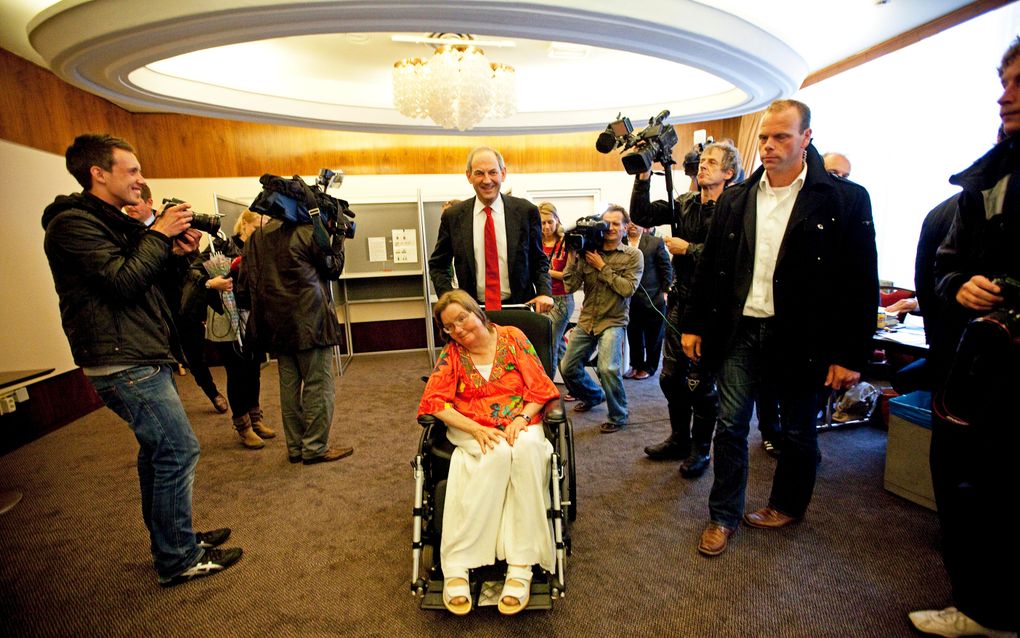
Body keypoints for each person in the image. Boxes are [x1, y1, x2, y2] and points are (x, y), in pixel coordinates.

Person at [42, 133, 242, 586]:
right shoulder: (72, 225)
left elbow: (153, 288)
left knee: (158, 451)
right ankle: (178, 559)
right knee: (177, 448)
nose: (140, 180)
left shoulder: (113, 222)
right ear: (99, 173)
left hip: (141, 352)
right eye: (131, 171)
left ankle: (174, 540)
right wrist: (157, 234)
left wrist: (178, 255)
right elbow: (121, 283)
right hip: (122, 361)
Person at [681, 100, 878, 556]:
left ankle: (786, 504)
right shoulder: (738, 197)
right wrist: (693, 323)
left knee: (795, 431)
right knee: (730, 426)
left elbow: (859, 281)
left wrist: (851, 354)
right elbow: (711, 268)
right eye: (765, 138)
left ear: (806, 137)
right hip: (740, 332)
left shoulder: (845, 200)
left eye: (781, 137)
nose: (769, 146)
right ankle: (723, 515)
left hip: (802, 336)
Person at [908, 40, 1020, 638]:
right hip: (978, 372)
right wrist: (960, 287)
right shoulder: (984, 183)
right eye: (1003, 82)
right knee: (968, 488)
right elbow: (942, 271)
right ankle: (982, 610)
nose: (1005, 96)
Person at [418, 290, 560, 616]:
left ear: (476, 312)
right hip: (472, 425)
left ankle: (521, 566)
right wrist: (476, 429)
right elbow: (435, 403)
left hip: (520, 420)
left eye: (461, 318)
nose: (458, 329)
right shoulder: (452, 354)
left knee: (526, 454)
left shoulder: (512, 337)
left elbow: (540, 387)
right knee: (494, 455)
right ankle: (457, 564)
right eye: (449, 326)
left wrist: (522, 419)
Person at [631, 141, 741, 477]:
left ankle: (700, 449)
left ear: (729, 172)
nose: (702, 165)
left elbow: (732, 256)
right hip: (681, 300)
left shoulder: (736, 208)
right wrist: (644, 176)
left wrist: (688, 249)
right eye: (702, 160)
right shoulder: (686, 203)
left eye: (712, 161)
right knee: (669, 377)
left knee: (701, 383)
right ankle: (679, 437)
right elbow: (642, 215)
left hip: (715, 307)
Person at [237, 178, 354, 465]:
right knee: (318, 386)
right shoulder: (307, 232)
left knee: (288, 387)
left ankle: (296, 447)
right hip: (311, 322)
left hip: (275, 326)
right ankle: (315, 448)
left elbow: (245, 283)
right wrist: (336, 235)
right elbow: (333, 268)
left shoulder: (256, 238)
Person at [125, 185, 228, 411]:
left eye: (135, 203)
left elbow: (192, 271)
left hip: (182, 305)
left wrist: (190, 252)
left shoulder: (176, 227)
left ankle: (212, 393)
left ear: (149, 201)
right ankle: (168, 404)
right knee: (164, 359)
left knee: (194, 356)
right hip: (152, 309)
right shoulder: (128, 233)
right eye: (126, 205)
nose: (129, 208)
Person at [429, 147, 553, 312]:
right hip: (472, 312)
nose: (487, 180)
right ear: (469, 176)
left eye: (493, 172)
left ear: (503, 173)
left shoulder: (526, 211)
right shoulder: (453, 217)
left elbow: (538, 260)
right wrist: (449, 300)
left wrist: (545, 292)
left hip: (520, 308)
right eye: (479, 173)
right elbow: (438, 265)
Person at [559, 205, 643, 433]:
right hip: (588, 319)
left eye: (616, 224)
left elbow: (627, 289)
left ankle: (618, 415)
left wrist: (602, 267)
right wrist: (572, 257)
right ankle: (594, 395)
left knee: (608, 368)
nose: (610, 228)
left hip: (613, 320)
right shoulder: (588, 251)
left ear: (626, 228)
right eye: (606, 223)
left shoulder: (633, 256)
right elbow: (570, 285)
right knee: (567, 367)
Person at [194, 210, 275, 449]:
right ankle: (243, 426)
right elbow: (197, 273)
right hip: (227, 320)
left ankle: (256, 419)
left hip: (251, 319)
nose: (268, 226)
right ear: (246, 224)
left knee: (253, 371)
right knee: (237, 372)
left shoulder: (261, 248)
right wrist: (216, 281)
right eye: (265, 221)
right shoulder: (221, 245)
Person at [623, 222, 671, 380]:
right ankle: (636, 365)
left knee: (654, 337)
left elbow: (666, 268)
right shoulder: (620, 243)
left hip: (653, 298)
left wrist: (665, 292)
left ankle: (650, 367)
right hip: (629, 300)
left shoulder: (654, 242)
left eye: (635, 222)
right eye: (629, 222)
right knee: (634, 335)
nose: (632, 225)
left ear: (643, 226)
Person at [538, 201, 574, 370]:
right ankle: (575, 381)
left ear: (557, 220)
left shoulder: (566, 244)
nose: (546, 227)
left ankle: (548, 387)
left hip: (562, 300)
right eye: (542, 222)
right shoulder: (536, 242)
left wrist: (544, 272)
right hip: (541, 299)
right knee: (557, 344)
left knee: (548, 344)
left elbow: (568, 276)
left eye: (550, 222)